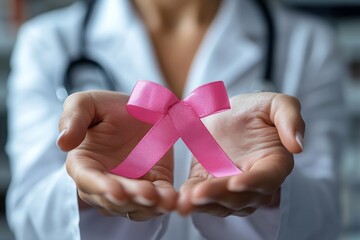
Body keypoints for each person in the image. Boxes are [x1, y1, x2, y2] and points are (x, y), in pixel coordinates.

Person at [6, 0, 347, 239]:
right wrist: (84, 194)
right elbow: (29, 218)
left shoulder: (308, 43)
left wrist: (272, 196)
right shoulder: (46, 42)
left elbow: (324, 220)